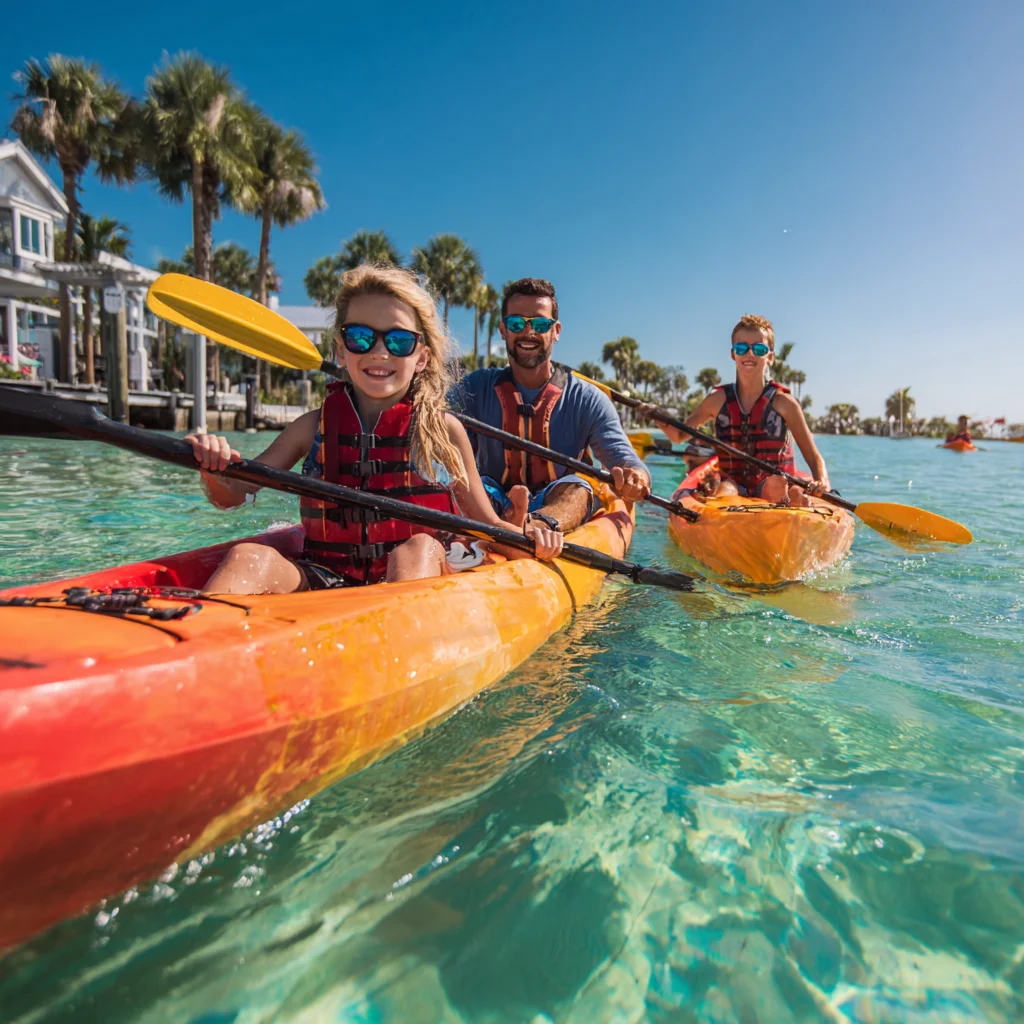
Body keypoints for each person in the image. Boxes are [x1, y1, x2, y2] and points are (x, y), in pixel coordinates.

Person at [186, 264, 562, 594]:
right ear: (340, 350)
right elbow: (232, 494)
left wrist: (531, 539)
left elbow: (486, 524)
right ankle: (196, 649)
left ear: (422, 357)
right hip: (326, 575)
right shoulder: (310, 427)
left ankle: (400, 647)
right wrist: (215, 469)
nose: (379, 353)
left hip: (418, 574)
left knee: (419, 548)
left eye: (398, 341)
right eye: (361, 338)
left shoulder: (442, 432)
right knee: (248, 558)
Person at [449, 278, 651, 533]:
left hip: (558, 505)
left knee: (577, 489)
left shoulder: (588, 399)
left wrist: (636, 477)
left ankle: (531, 527)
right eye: (516, 323)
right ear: (503, 330)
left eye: (540, 324)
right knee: (473, 482)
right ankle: (505, 525)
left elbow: (625, 459)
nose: (528, 332)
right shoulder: (474, 387)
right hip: (492, 501)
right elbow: (432, 425)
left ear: (555, 331)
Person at [643, 314, 830, 507]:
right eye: (741, 348)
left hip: (776, 484)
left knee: (777, 484)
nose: (749, 354)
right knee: (726, 490)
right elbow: (679, 435)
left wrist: (822, 481)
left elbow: (813, 457)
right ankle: (730, 522)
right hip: (734, 483)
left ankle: (786, 516)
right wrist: (657, 415)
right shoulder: (717, 400)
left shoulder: (784, 403)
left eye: (759, 349)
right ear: (733, 354)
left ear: (770, 357)